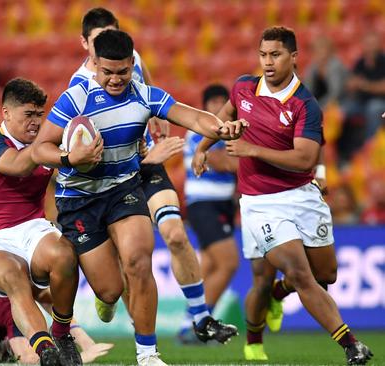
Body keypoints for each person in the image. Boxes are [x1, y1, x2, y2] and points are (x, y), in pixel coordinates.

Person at [32, 29, 246, 365]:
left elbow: (190, 115)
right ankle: (69, 325)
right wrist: (70, 159)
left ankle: (147, 354)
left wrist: (220, 128)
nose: (115, 80)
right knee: (110, 290)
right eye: (107, 72)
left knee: (138, 260)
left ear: (133, 64)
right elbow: (39, 149)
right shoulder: (75, 98)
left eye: (122, 72)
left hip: (123, 189)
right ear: (95, 66)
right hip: (79, 200)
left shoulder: (146, 95)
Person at [192, 26, 373, 365]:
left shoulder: (306, 104)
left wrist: (252, 150)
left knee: (325, 276)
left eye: (275, 55)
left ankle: (279, 294)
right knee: (293, 273)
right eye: (263, 55)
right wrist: (203, 147)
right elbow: (226, 115)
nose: (268, 62)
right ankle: (350, 345)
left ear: (293, 57)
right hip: (260, 203)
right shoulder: (244, 86)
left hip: (302, 196)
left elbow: (305, 158)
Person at [0, 78, 82, 366]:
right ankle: (45, 350)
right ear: (6, 113)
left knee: (65, 255)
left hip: (33, 227)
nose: (35, 122)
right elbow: (16, 166)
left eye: (39, 115)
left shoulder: (47, 143)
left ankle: (62, 334)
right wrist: (59, 153)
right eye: (28, 115)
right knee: (13, 276)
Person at [0, 267, 113, 364]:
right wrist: (80, 358)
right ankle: (2, 346)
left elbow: (49, 302)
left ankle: (2, 345)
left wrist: (86, 342)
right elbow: (28, 359)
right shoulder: (8, 306)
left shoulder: (0, 263)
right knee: (22, 347)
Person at [178, 84, 239, 343]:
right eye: (212, 102)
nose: (217, 108)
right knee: (228, 263)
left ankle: (187, 324)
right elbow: (226, 162)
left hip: (223, 205)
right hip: (203, 204)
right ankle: (202, 324)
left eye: (221, 102)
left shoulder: (230, 136)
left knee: (212, 265)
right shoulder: (198, 133)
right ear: (204, 107)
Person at [337, 32, 385, 167]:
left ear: (378, 45)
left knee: (374, 108)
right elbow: (351, 83)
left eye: (373, 43)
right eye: (367, 44)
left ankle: (370, 152)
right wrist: (351, 85)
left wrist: (365, 85)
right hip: (361, 101)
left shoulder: (383, 61)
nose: (370, 47)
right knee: (342, 110)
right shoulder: (360, 62)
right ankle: (342, 153)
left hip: (381, 103)